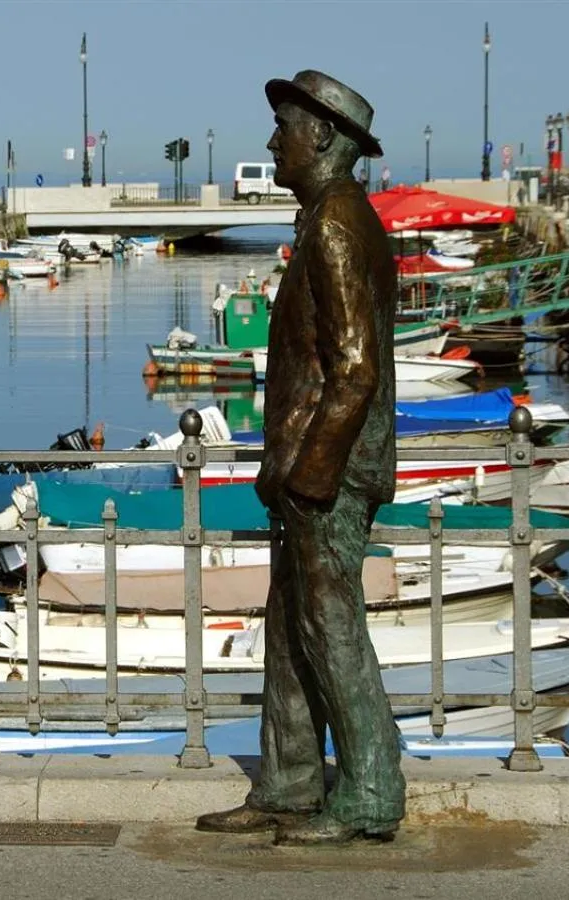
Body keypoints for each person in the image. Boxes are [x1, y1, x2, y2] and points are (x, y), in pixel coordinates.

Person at [195, 70, 404, 846]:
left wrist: (313, 471)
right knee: (289, 624)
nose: (272, 140)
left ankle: (371, 794)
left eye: (283, 126)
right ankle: (288, 784)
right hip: (308, 461)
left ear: (320, 136)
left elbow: (355, 368)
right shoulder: (326, 217)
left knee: (328, 623)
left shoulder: (339, 224)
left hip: (332, 468)